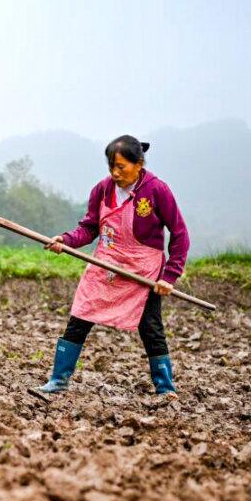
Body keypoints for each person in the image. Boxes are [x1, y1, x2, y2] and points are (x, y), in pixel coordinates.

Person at [35, 135, 190, 398]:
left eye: (121, 167)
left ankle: (165, 389)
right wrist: (66, 240)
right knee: (79, 317)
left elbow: (180, 234)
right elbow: (89, 227)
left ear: (139, 163)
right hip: (105, 262)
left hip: (143, 271)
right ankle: (57, 382)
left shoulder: (156, 190)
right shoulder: (102, 190)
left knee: (150, 327)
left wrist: (170, 276)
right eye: (111, 167)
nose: (115, 173)